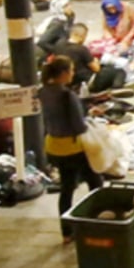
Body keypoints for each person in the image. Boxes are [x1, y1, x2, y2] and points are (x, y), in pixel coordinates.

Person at [40, 56, 100, 243]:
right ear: (64, 73)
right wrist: (89, 117)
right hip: (72, 146)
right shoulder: (67, 95)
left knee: (67, 188)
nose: (73, 74)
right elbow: (78, 126)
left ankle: (66, 232)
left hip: (53, 145)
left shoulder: (42, 91)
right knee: (95, 182)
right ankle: (94, 222)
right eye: (72, 70)